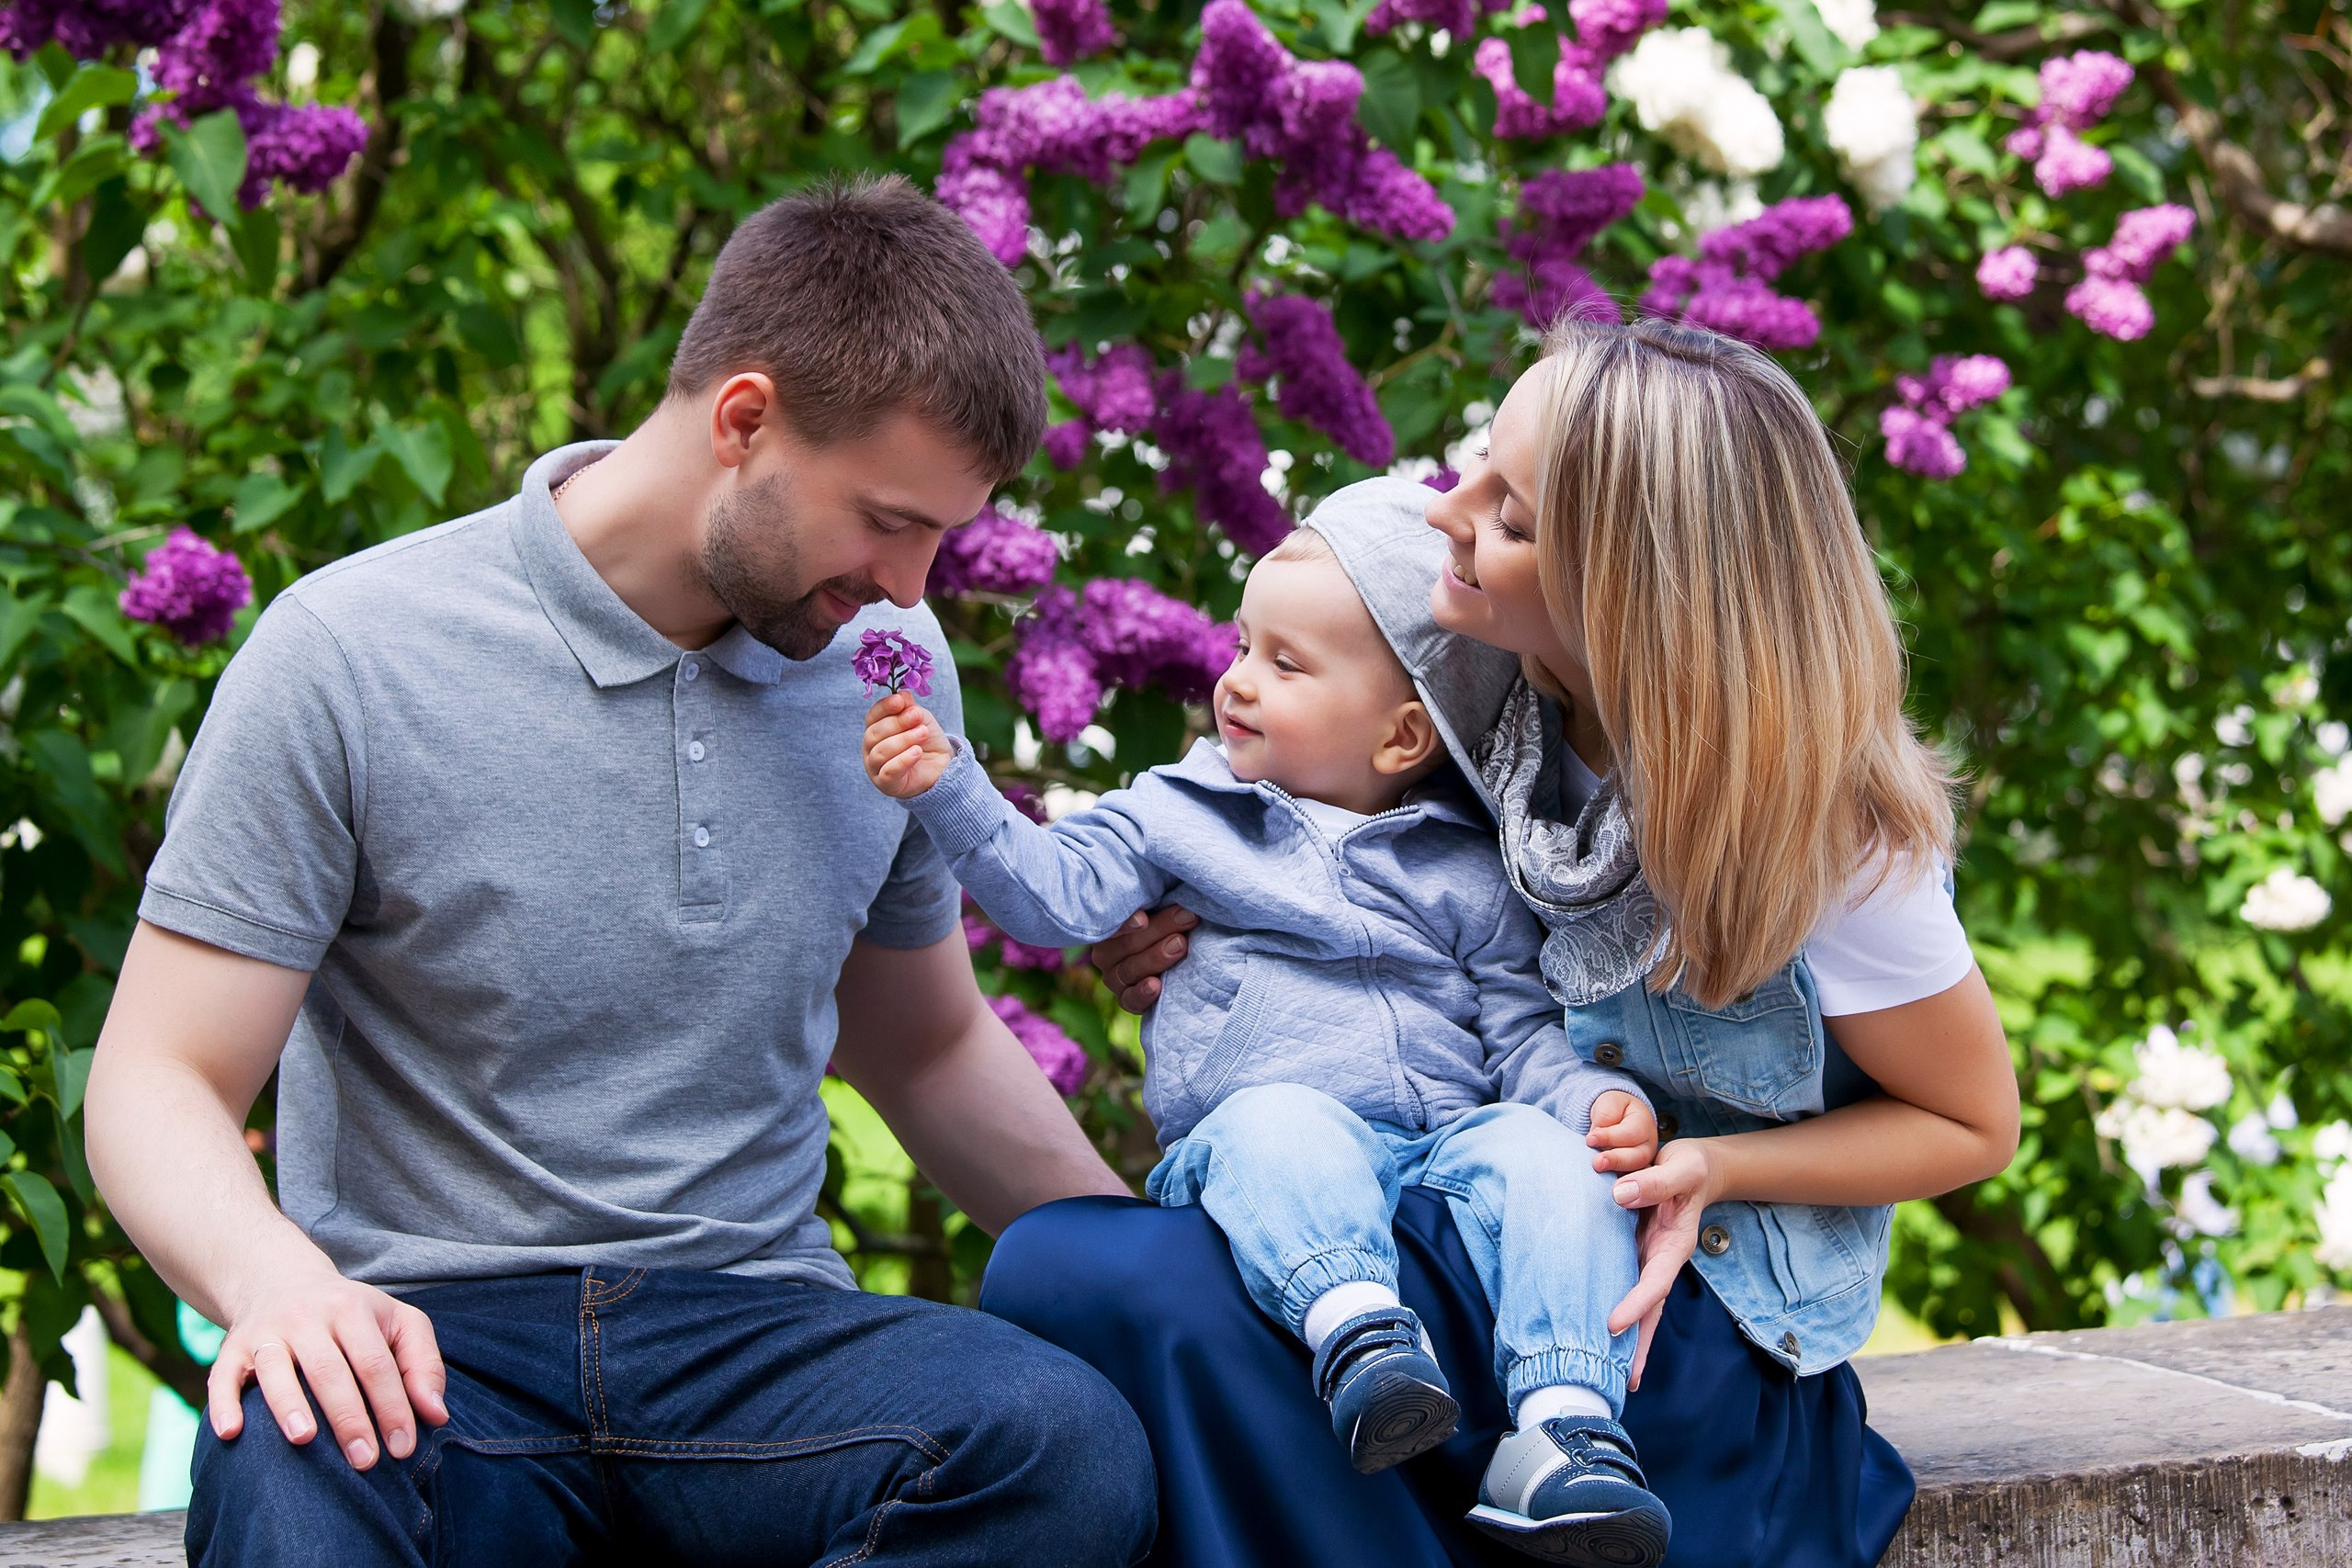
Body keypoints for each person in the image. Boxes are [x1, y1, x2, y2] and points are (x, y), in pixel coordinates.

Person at [85, 175, 1158, 1567]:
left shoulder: (888, 675)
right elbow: (157, 1072)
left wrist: (1159, 1277)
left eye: (943, 534)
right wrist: (279, 1283)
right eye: (889, 518)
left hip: (759, 1342)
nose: (912, 584)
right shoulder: (349, 650)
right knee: (289, 1461)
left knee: (1061, 1446)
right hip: (435, 1349)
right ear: (744, 420)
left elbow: (932, 1041)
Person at [985, 316, 2021, 1568]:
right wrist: (1195, 919)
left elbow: (1974, 1125)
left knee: (1160, 1291)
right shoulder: (1494, 698)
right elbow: (1319, 816)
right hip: (1461, 1201)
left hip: (1656, 1310)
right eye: (1477, 463)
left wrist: (1715, 1168)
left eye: (1509, 512)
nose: (1447, 511)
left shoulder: (1823, 826)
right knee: (1073, 1267)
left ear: (1630, 585)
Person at [863, 527, 1671, 1563]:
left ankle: (1566, 1429)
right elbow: (1051, 893)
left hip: (1442, 1147)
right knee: (1282, 1121)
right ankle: (1364, 1342)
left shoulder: (1464, 868)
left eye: (1284, 664)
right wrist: (953, 785)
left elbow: (1516, 1031)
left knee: (1546, 1159)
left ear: (1401, 739)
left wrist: (1584, 1107)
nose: (1235, 682)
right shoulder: (1177, 814)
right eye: (1243, 646)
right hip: (1266, 1146)